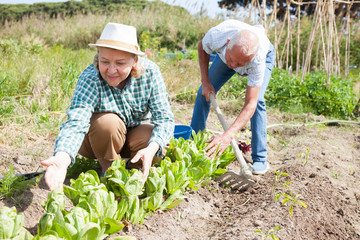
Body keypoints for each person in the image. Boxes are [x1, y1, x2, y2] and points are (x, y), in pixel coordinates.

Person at [41, 22, 174, 190]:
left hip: (133, 138)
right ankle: (109, 171)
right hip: (97, 140)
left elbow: (165, 118)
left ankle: (133, 169)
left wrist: (152, 149)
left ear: (135, 60)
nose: (111, 70)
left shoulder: (151, 73)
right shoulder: (90, 79)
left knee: (152, 139)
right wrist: (62, 158)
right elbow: (76, 122)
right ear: (98, 58)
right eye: (105, 61)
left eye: (120, 63)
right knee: (107, 123)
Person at [190, 19, 275, 175]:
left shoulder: (258, 60)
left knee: (258, 101)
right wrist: (206, 81)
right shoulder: (218, 35)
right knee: (204, 92)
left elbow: (251, 103)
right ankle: (194, 142)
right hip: (227, 55)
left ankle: (260, 158)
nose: (234, 66)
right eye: (232, 60)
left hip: (255, 56)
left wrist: (227, 135)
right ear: (228, 43)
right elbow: (202, 47)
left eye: (239, 64)